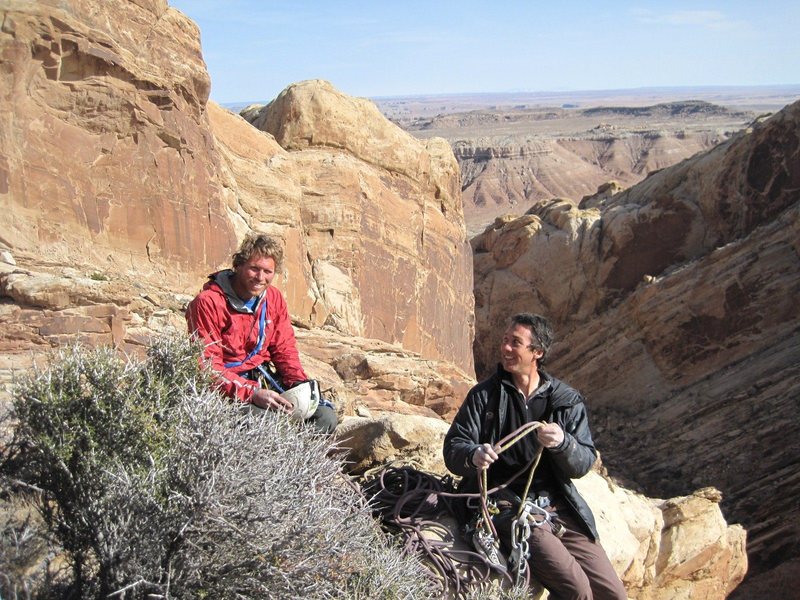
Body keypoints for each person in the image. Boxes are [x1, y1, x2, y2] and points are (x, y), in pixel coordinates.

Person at [443, 313, 626, 600]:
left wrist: (563, 443)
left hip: (557, 505)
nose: (505, 348)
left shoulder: (565, 400)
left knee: (614, 594)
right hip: (505, 504)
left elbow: (583, 462)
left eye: (515, 343)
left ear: (537, 352)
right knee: (577, 590)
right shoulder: (484, 396)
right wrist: (474, 454)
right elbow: (454, 447)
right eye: (505, 341)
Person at [186, 233, 337, 434]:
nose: (260, 278)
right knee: (265, 424)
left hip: (264, 380)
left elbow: (284, 349)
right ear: (238, 266)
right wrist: (252, 393)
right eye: (254, 269)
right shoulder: (209, 303)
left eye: (268, 271)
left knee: (324, 417)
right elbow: (208, 367)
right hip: (230, 390)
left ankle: (297, 463)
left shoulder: (272, 298)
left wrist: (299, 385)